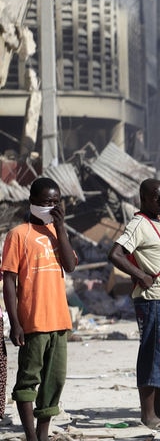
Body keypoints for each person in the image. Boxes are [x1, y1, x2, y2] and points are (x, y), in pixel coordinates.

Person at [2, 177, 77, 440]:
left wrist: (61, 227)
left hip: (59, 320)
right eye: (47, 202)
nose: (52, 207)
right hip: (33, 321)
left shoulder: (58, 232)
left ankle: (43, 434)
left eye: (56, 202)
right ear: (33, 203)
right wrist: (15, 322)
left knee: (54, 382)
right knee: (28, 381)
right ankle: (31, 435)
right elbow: (9, 281)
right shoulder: (18, 234)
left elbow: (69, 265)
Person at [108, 178, 160, 431]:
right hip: (152, 302)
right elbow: (115, 254)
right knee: (153, 356)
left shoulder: (158, 217)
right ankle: (148, 415)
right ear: (144, 199)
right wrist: (140, 275)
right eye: (157, 198)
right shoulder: (139, 223)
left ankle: (158, 413)